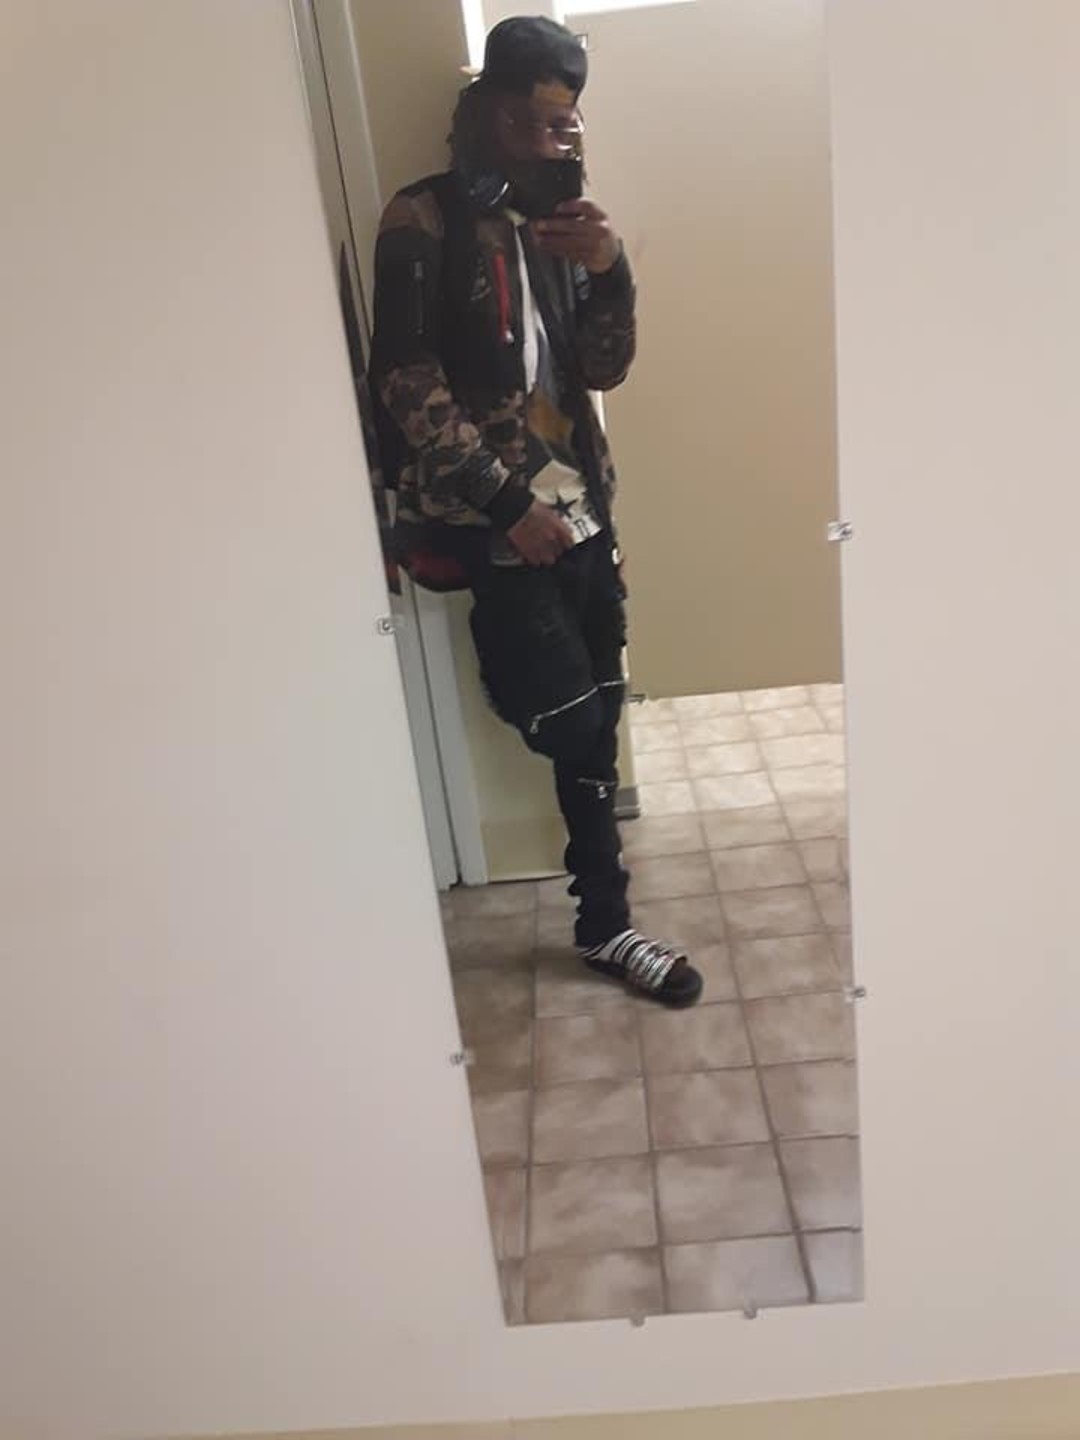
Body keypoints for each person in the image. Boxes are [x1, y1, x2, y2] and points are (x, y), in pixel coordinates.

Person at [371, 16, 703, 1007]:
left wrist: (610, 268)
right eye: (527, 120)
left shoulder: (565, 229)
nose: (547, 140)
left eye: (562, 124)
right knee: (567, 717)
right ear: (484, 114)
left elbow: (604, 368)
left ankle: (605, 925)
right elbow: (404, 378)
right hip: (498, 521)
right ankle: (603, 911)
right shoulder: (422, 218)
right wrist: (508, 504)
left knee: (600, 715)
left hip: (585, 508)